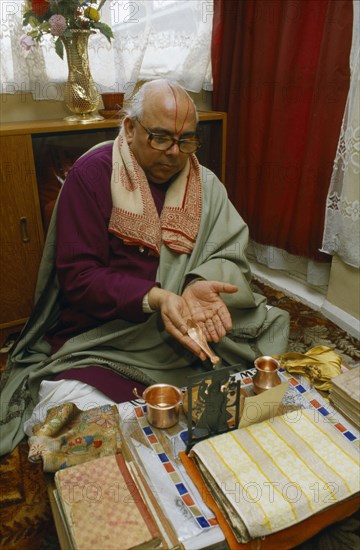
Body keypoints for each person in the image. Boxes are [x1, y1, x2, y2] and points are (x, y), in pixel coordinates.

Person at [0, 79, 289, 455]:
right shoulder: (92, 176)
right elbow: (79, 277)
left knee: (268, 346)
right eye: (160, 138)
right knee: (77, 429)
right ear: (130, 128)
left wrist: (197, 282)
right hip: (111, 338)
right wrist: (154, 298)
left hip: (187, 329)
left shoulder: (206, 185)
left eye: (186, 140)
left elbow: (230, 254)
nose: (174, 153)